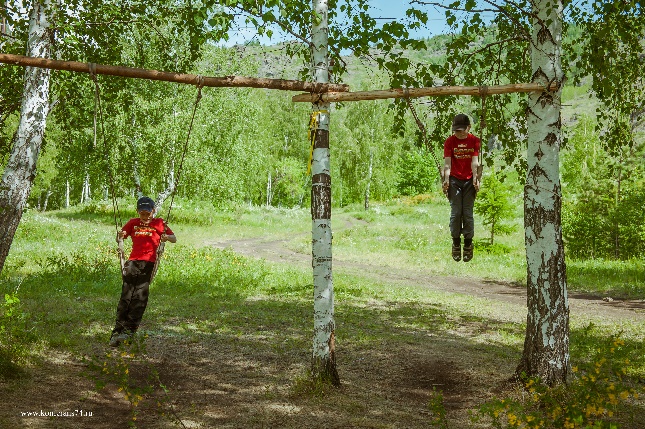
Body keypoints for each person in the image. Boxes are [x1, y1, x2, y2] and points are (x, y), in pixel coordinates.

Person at [109, 196, 176, 347]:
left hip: (148, 264)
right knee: (126, 297)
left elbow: (174, 238)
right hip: (132, 262)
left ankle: (128, 332)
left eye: (148, 213)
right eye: (142, 213)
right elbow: (120, 238)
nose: (145, 217)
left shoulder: (159, 223)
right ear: (138, 212)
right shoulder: (133, 223)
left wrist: (166, 237)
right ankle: (117, 332)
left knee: (139, 298)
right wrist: (119, 240)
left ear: (153, 211)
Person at [442, 113, 481, 262]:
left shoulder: (475, 141)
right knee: (456, 212)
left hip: (469, 180)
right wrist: (446, 180)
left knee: (467, 213)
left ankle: (468, 243)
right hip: (454, 180)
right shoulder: (449, 142)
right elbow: (447, 164)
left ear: (468, 128)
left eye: (461, 130)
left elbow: (474, 162)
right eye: (456, 130)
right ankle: (456, 242)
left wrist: (476, 179)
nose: (459, 133)